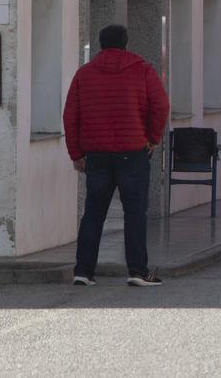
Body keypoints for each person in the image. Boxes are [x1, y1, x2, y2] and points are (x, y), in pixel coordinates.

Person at [63, 25, 169, 287]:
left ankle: (83, 271)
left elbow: (70, 116)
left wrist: (76, 153)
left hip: (96, 155)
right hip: (133, 153)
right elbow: (161, 105)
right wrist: (153, 138)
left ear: (100, 44)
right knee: (135, 213)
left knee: (93, 213)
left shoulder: (84, 74)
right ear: (126, 43)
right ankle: (137, 271)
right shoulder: (142, 69)